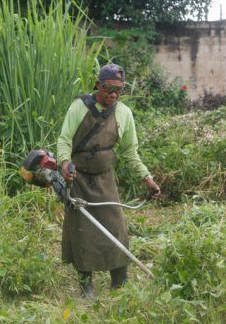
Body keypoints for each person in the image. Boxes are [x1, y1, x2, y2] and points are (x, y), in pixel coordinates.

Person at [56, 63, 161, 299]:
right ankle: (86, 286)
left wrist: (147, 178)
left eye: (118, 90)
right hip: (78, 179)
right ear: (97, 85)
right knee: (81, 231)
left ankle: (119, 282)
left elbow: (130, 153)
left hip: (105, 180)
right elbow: (64, 140)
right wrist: (64, 163)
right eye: (107, 88)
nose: (112, 94)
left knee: (117, 228)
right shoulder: (79, 107)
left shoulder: (124, 114)